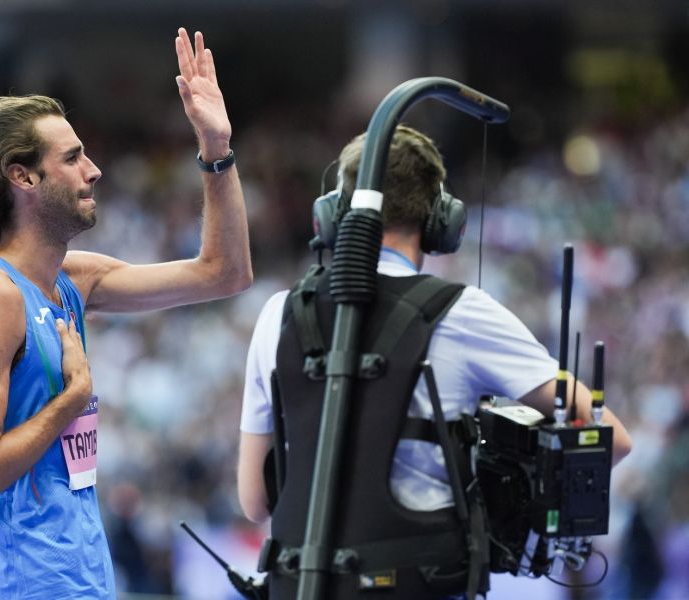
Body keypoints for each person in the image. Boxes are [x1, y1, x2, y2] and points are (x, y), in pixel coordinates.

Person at [237, 125, 632, 599]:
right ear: (440, 219)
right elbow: (610, 437)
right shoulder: (464, 312)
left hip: (300, 586)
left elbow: (255, 502)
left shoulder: (277, 314)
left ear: (334, 213)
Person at [0, 28, 251, 599]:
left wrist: (216, 149)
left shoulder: (74, 280)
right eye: (73, 157)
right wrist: (71, 398)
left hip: (87, 578)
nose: (95, 169)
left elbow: (224, 273)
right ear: (22, 176)